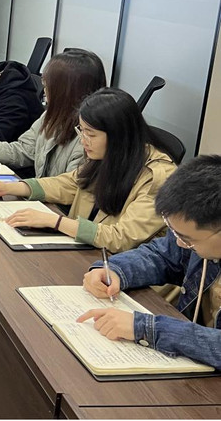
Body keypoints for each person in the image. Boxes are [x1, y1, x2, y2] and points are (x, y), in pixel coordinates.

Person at [0, 88, 177, 252]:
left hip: (120, 271)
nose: (83, 141)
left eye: (91, 134)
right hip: (87, 252)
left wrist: (56, 222)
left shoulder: (159, 177)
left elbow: (122, 237)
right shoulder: (110, 154)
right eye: (81, 130)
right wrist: (14, 187)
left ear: (119, 135)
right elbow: (70, 183)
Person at [77, 155, 221, 369]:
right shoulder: (196, 236)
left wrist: (146, 328)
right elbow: (162, 255)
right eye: (175, 233)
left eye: (188, 239)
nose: (180, 243)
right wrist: (115, 271)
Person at [0, 48, 107, 178]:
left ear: (65, 92)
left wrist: (26, 188)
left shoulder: (88, 138)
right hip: (39, 196)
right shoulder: (50, 116)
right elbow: (23, 150)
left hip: (50, 202)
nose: (44, 93)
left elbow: (67, 188)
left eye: (48, 87)